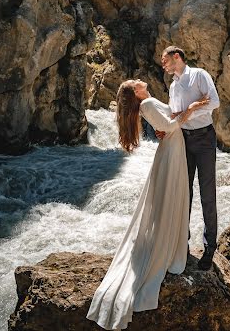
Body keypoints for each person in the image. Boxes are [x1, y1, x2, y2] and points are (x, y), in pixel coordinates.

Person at [86, 79, 210, 330]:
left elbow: (166, 124)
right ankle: (166, 247)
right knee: (169, 196)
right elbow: (169, 125)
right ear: (136, 92)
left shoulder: (148, 104)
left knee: (170, 197)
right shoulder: (149, 103)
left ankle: (169, 243)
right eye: (136, 82)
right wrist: (193, 108)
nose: (141, 80)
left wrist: (177, 118)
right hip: (172, 152)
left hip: (172, 149)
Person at [158, 46, 220, 271]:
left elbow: (214, 102)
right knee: (184, 193)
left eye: (165, 60)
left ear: (177, 57)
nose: (163, 65)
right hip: (183, 140)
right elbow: (176, 115)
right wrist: (164, 129)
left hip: (204, 139)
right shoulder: (173, 86)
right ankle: (181, 244)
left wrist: (194, 107)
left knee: (207, 193)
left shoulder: (199, 75)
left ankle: (210, 247)